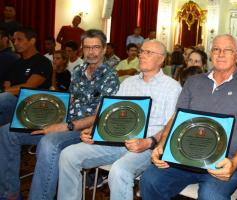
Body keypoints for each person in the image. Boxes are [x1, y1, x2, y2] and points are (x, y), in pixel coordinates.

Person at [140, 34, 237, 200]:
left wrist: (235, 163)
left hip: (225, 162)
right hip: (184, 157)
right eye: (216, 49)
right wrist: (162, 146)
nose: (220, 54)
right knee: (149, 180)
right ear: (211, 54)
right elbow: (176, 119)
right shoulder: (193, 82)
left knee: (211, 195)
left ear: (236, 55)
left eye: (227, 50)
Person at [0, 29, 119, 200]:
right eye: (87, 47)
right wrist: (47, 116)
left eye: (96, 47)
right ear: (82, 49)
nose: (91, 52)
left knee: (49, 143)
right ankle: (9, 194)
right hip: (63, 122)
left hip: (83, 130)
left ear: (104, 49)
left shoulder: (110, 76)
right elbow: (69, 100)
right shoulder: (78, 70)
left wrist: (66, 126)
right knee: (7, 132)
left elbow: (100, 115)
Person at [57, 40, 181, 200]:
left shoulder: (172, 87)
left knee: (119, 171)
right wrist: (94, 131)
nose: (142, 56)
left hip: (145, 146)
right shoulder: (128, 83)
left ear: (162, 59)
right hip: (115, 140)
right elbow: (111, 113)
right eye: (142, 52)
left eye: (148, 53)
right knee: (68, 155)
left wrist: (148, 142)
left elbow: (170, 127)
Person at [0, 27, 52, 126]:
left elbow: (29, 87)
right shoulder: (16, 63)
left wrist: (5, 91)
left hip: (33, 106)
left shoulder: (42, 62)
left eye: (19, 39)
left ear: (32, 41)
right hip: (12, 105)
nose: (15, 43)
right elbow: (7, 85)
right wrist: (6, 91)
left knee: (5, 97)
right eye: (14, 40)